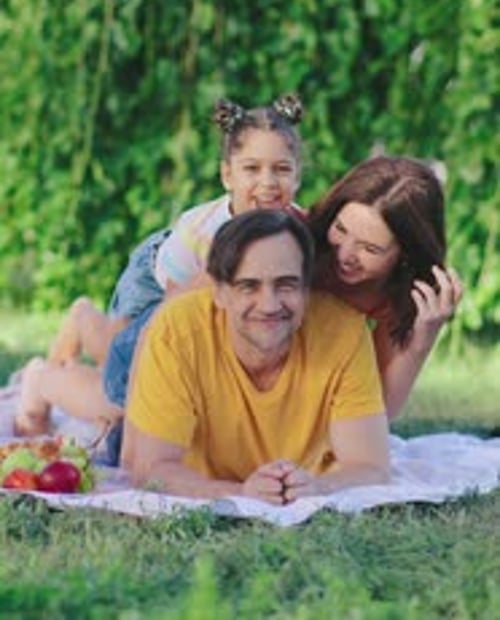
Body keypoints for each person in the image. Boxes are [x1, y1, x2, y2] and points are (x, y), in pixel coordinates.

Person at [14, 94, 304, 441]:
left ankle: (83, 327)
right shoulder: (206, 234)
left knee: (130, 375)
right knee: (122, 383)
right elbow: (172, 313)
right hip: (159, 281)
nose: (269, 182)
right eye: (252, 169)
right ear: (228, 175)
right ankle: (41, 378)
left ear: (297, 176)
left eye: (282, 169)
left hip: (197, 297)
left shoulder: (296, 226)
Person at [124, 209, 390, 502]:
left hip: (307, 476)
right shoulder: (177, 330)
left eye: (286, 284)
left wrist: (317, 487)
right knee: (104, 416)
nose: (269, 305)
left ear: (306, 288)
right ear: (220, 291)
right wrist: (241, 493)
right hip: (197, 469)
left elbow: (370, 467)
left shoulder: (345, 330)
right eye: (249, 286)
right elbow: (150, 469)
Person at [308, 155, 463, 419]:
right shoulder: (294, 243)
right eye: (341, 229)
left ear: (406, 254)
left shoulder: (396, 296)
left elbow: (379, 412)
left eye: (370, 248)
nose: (345, 255)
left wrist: (420, 343)